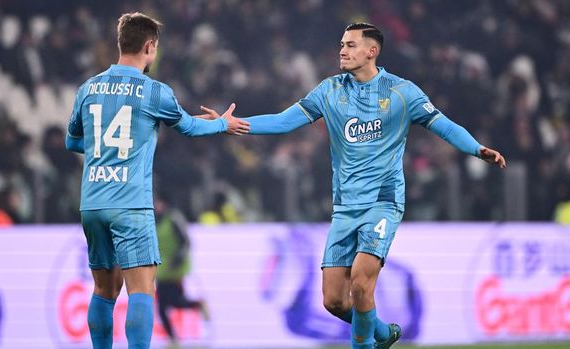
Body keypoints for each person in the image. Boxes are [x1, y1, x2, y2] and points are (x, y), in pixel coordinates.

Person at [204, 23, 506, 349]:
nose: (342, 51)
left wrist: (477, 149)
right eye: (341, 44)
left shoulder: (402, 92)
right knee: (333, 301)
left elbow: (444, 126)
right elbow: (282, 121)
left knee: (362, 282)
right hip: (345, 208)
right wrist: (230, 124)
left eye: (350, 45)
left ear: (371, 51)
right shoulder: (329, 91)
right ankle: (381, 332)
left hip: (383, 201)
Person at [65, 12, 249, 349]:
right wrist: (222, 123)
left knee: (104, 291)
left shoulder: (88, 88)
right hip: (130, 204)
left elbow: (72, 140)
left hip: (92, 202)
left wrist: (104, 152)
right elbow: (190, 128)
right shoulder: (153, 92)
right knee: (141, 289)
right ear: (150, 47)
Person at [154, 195, 208, 345]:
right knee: (172, 303)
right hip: (162, 268)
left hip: (174, 269)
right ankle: (196, 305)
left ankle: (173, 340)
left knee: (164, 306)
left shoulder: (173, 219)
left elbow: (185, 242)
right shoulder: (156, 221)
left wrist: (178, 259)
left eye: (158, 202)